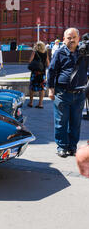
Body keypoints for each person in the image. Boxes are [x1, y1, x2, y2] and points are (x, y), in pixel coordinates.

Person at [48, 28, 89, 158]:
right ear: (64, 39)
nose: (71, 40)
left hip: (79, 93)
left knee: (76, 122)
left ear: (79, 38)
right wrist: (50, 89)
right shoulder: (59, 53)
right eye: (69, 38)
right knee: (61, 121)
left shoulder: (84, 53)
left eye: (74, 37)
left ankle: (72, 147)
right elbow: (52, 71)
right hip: (62, 93)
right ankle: (61, 147)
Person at [28, 41, 49, 109]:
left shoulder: (35, 52)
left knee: (32, 87)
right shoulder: (45, 53)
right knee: (42, 88)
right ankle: (40, 104)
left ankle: (31, 102)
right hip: (42, 73)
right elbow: (48, 63)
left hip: (34, 73)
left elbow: (30, 61)